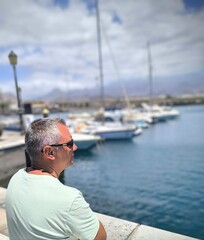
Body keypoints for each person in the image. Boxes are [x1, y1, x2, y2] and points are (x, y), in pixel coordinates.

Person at [6, 118, 106, 240]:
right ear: (49, 152)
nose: (75, 147)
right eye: (69, 144)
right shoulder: (69, 199)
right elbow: (100, 237)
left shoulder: (16, 179)